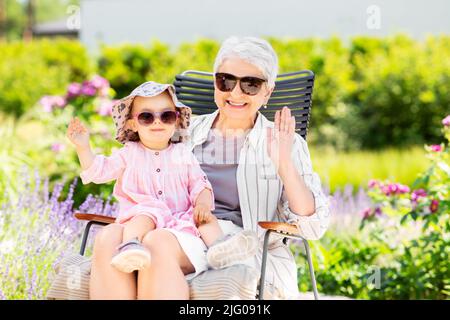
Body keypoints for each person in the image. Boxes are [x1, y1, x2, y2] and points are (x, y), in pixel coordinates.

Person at [88, 37, 330, 300]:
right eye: (226, 81)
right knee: (109, 236)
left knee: (156, 243)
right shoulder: (179, 130)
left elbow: (312, 227)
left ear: (267, 92)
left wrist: (284, 164)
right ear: (215, 83)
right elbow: (138, 162)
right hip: (176, 228)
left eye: (251, 84)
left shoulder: (285, 141)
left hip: (239, 244)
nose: (235, 93)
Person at [67, 82, 258, 281]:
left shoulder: (182, 153)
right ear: (132, 124)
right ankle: (131, 246)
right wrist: (83, 148)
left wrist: (202, 204)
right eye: (146, 117)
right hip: (143, 219)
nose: (157, 122)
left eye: (166, 116)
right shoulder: (129, 154)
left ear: (176, 121)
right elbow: (99, 171)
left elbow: (199, 183)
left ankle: (221, 249)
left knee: (204, 218)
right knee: (146, 215)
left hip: (178, 221)